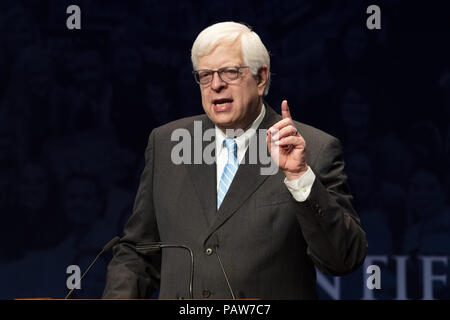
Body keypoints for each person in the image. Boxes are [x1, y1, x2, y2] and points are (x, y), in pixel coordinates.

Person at [103, 22, 367, 299]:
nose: (216, 85)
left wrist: (299, 176)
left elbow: (344, 259)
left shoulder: (313, 149)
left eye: (230, 72)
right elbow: (139, 253)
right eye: (205, 75)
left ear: (261, 78)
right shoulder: (168, 143)